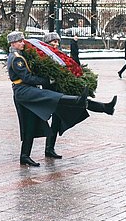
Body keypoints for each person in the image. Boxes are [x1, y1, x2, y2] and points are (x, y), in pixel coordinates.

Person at [6, 31, 89, 167]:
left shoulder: (20, 55)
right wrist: (47, 80)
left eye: (22, 40)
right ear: (13, 43)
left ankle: (25, 156)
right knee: (51, 97)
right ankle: (77, 100)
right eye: (20, 41)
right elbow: (27, 78)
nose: (23, 43)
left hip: (26, 91)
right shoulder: (16, 58)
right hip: (23, 91)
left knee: (31, 125)